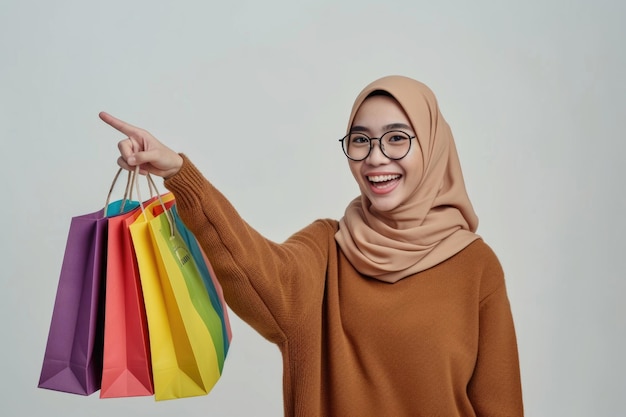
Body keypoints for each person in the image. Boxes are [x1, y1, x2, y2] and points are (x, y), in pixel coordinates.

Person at [100, 75, 524, 416]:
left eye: (397, 138)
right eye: (361, 140)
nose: (375, 157)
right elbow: (252, 270)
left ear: (432, 147)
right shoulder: (327, 250)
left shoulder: (475, 266)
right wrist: (181, 175)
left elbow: (500, 406)